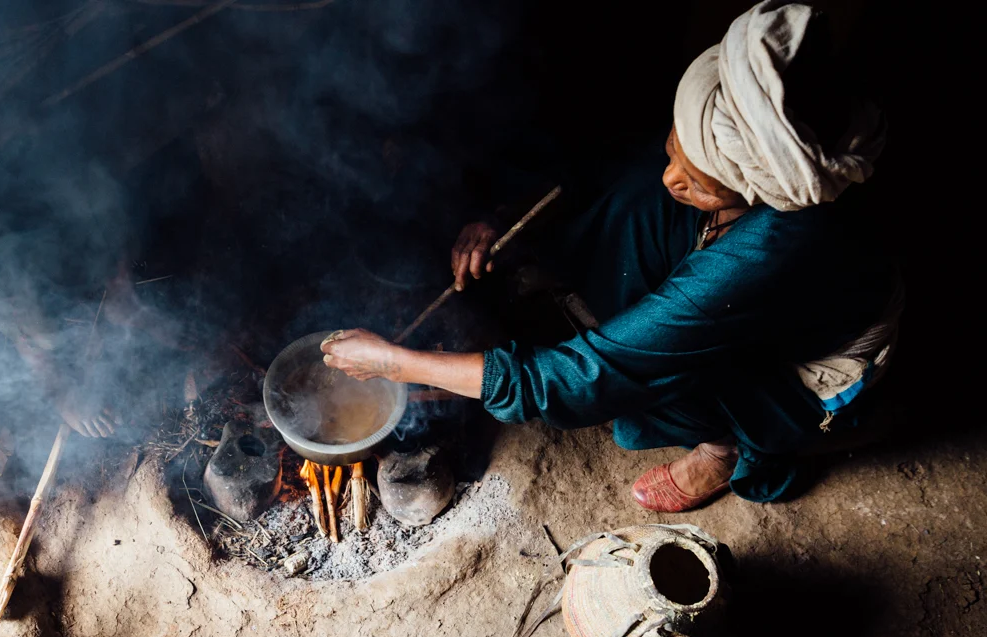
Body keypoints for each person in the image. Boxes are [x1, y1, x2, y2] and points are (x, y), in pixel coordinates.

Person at [321, 0, 895, 512]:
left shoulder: (767, 251)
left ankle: (730, 448)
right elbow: (599, 172)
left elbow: (568, 383)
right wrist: (504, 221)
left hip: (805, 372)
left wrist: (392, 363)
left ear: (755, 186)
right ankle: (621, 309)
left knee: (637, 404)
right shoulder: (741, 126)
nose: (674, 177)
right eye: (675, 149)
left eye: (698, 183)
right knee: (633, 196)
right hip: (749, 291)